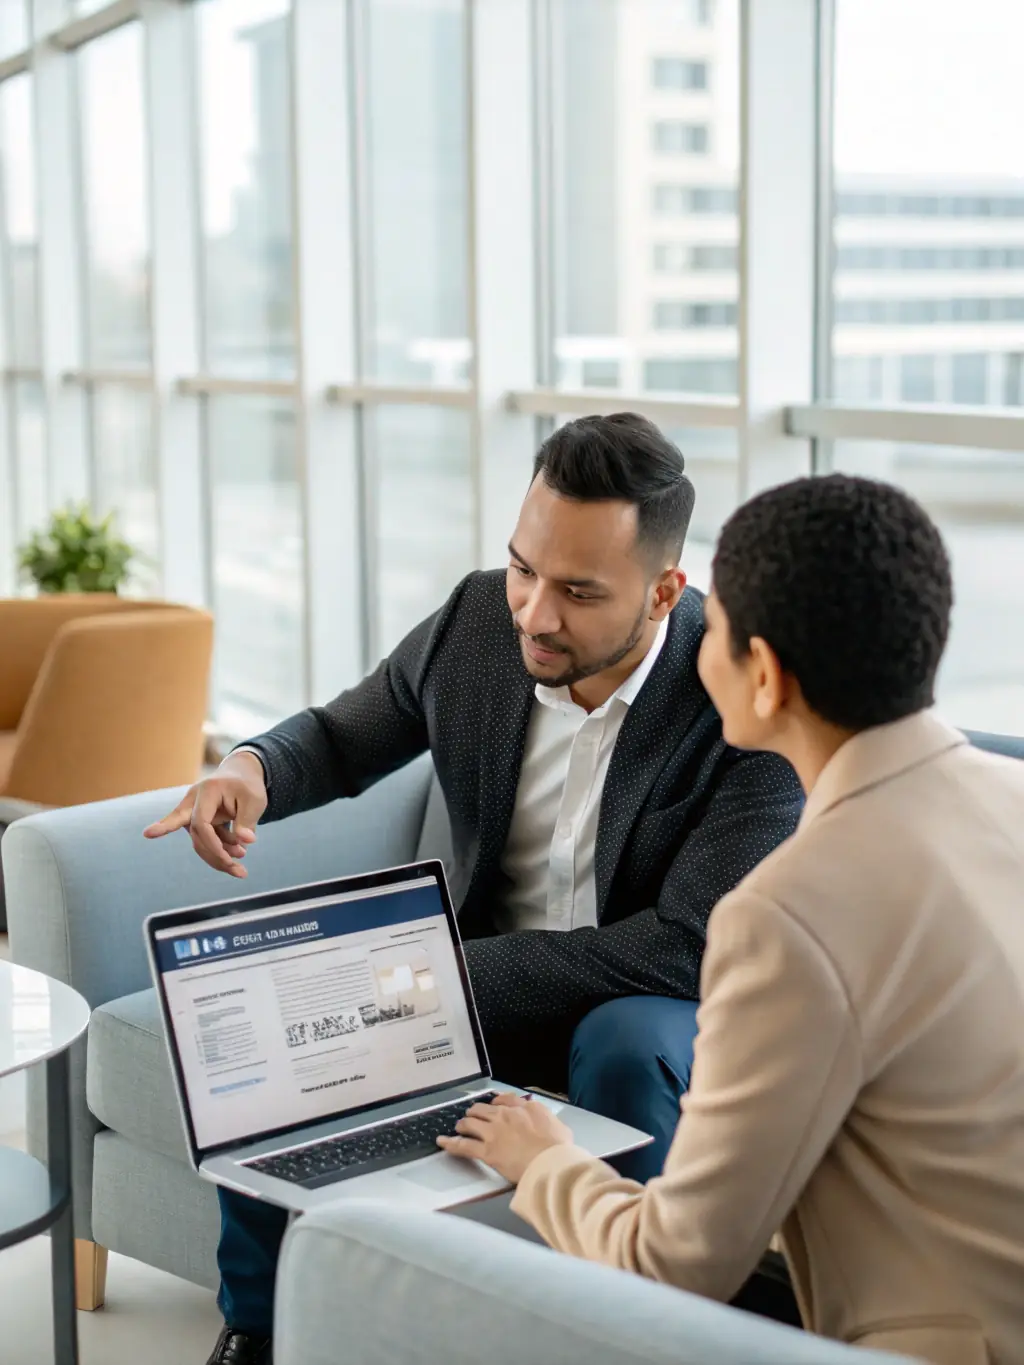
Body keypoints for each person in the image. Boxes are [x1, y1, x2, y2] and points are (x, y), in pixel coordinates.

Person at [146, 413, 802, 1365]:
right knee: (284, 1022)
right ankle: (256, 1329)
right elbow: (343, 733)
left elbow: (686, 946)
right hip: (485, 976)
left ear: (665, 590)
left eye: (578, 591)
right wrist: (254, 769)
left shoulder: (739, 698)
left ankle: (626, 1329)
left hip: (656, 1002)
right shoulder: (476, 622)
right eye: (524, 568)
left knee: (620, 1039)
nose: (535, 611)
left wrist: (436, 973)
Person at [442, 473, 1024, 1365]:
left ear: (768, 676)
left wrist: (544, 1159)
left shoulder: (787, 913)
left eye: (710, 632)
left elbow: (672, 1263)